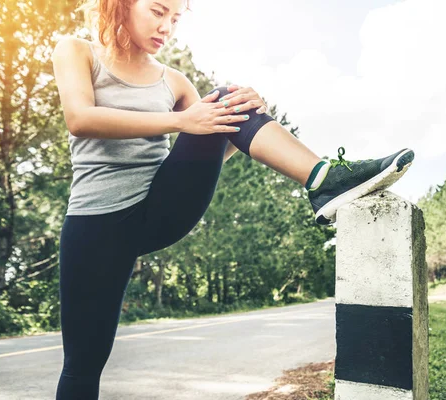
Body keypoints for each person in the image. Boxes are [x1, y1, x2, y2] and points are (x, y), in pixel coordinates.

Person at [51, 0, 415, 397]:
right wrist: (180, 121)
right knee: (83, 366)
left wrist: (245, 117)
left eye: (175, 18)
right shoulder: (77, 50)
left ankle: (324, 179)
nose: (166, 28)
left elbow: (214, 143)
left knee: (230, 100)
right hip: (95, 225)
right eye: (158, 11)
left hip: (159, 208)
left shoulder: (173, 81)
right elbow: (79, 118)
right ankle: (324, 180)